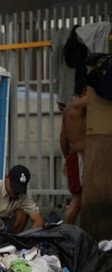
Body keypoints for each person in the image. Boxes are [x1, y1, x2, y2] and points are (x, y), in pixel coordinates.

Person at [0, 164, 44, 233]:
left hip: (7, 224)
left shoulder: (24, 195)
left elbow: (37, 220)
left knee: (23, 212)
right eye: (14, 187)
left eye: (19, 189)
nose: (16, 192)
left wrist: (32, 238)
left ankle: (13, 240)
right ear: (6, 178)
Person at [60, 86, 88, 225]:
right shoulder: (80, 106)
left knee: (79, 200)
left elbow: (63, 138)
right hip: (79, 157)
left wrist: (67, 159)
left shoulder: (67, 110)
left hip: (73, 156)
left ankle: (65, 235)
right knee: (77, 200)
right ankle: (63, 236)